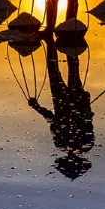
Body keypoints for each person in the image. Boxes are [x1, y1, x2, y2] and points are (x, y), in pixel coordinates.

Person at [28, 44, 94, 179]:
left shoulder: (83, 143)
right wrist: (37, 107)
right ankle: (53, 40)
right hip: (64, 101)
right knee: (55, 70)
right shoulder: (63, 143)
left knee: (71, 69)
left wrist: (86, 101)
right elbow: (53, 119)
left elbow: (87, 119)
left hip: (68, 101)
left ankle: (58, 38)